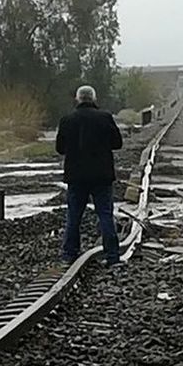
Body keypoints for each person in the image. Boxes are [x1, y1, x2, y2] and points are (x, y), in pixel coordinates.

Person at [56, 85, 124, 266]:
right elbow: (117, 143)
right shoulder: (105, 117)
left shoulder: (67, 120)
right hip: (102, 175)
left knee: (73, 216)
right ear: (94, 99)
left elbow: (60, 148)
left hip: (76, 176)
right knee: (105, 215)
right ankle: (112, 256)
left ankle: (69, 254)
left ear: (77, 99)